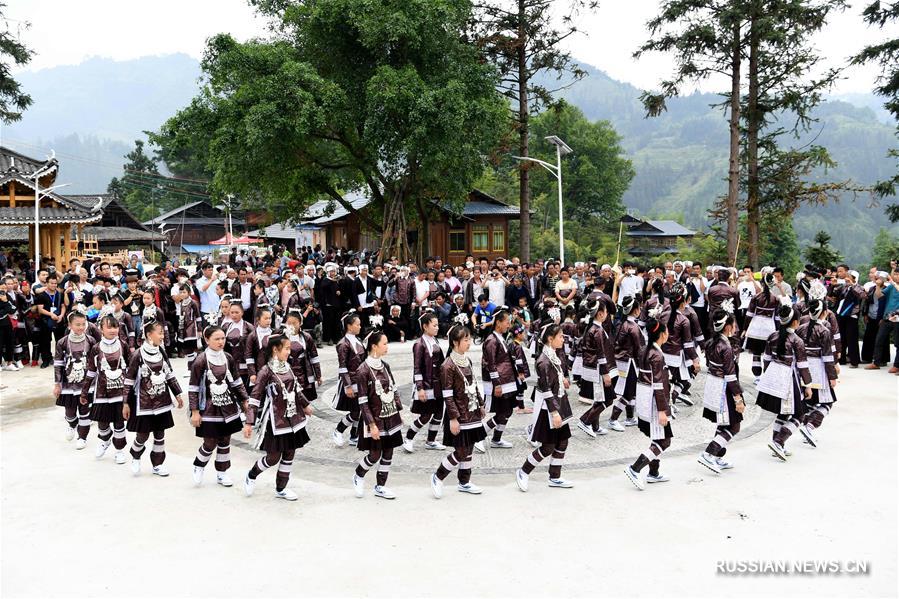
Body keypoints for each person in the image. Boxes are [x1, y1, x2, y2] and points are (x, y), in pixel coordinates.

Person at [243, 334, 313, 501]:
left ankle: (281, 488)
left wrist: (305, 404)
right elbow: (255, 397)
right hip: (275, 420)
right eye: (287, 348)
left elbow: (296, 389)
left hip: (292, 417)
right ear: (276, 349)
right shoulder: (265, 371)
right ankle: (252, 475)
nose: (290, 352)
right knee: (273, 457)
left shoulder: (287, 366)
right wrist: (249, 422)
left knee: (290, 453)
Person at [515, 324, 575, 491]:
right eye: (560, 336)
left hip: (559, 402)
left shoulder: (554, 356)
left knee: (562, 442)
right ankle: (523, 471)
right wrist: (554, 412)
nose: (563, 339)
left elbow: (555, 376)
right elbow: (546, 388)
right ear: (550, 338)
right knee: (548, 446)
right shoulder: (543, 361)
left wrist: (562, 379)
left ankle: (555, 476)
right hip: (548, 408)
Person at [189, 325, 250, 488]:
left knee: (225, 440)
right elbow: (193, 387)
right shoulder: (200, 360)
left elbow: (236, 381)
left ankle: (222, 473)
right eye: (217, 339)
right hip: (208, 408)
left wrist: (245, 400)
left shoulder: (228, 358)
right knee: (210, 442)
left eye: (223, 338)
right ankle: (199, 465)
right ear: (207, 340)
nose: (221, 342)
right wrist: (195, 411)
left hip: (227, 406)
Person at [430, 324, 487, 498]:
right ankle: (438, 476)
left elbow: (473, 383)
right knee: (461, 450)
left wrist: (481, 404)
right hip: (459, 414)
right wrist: (453, 418)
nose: (469, 342)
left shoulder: (466, 360)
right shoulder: (447, 366)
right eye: (466, 340)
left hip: (471, 410)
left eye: (469, 339)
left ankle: (464, 481)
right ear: (455, 342)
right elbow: (447, 395)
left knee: (469, 448)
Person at [123, 319, 184, 477]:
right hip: (143, 402)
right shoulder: (138, 355)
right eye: (160, 333)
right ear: (149, 335)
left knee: (160, 434)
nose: (163, 335)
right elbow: (129, 380)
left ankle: (158, 464)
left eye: (163, 332)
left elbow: (169, 374)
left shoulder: (162, 351)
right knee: (143, 434)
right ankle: (135, 455)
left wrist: (178, 394)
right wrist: (125, 403)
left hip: (162, 400)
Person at [755, 302, 813, 461]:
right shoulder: (797, 340)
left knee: (782, 412)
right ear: (795, 322)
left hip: (774, 376)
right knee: (800, 414)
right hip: (789, 379)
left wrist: (769, 377)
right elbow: (802, 366)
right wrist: (808, 386)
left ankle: (776, 443)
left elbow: (766, 360)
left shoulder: (772, 336)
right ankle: (779, 441)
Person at [624, 307, 673, 491]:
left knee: (656, 437)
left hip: (645, 397)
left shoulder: (645, 350)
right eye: (666, 331)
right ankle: (635, 468)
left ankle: (653, 473)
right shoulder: (657, 355)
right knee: (664, 440)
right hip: (654, 401)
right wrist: (663, 410)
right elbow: (659, 384)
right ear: (661, 334)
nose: (668, 334)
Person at [351, 330, 404, 500]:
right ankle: (358, 475)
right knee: (374, 454)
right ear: (374, 346)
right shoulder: (363, 370)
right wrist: (371, 424)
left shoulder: (385, 366)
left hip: (390, 416)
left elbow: (394, 389)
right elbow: (363, 401)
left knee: (389, 452)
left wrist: (398, 411)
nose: (387, 346)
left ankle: (380, 486)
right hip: (374, 419)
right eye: (385, 343)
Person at [697, 307, 744, 474]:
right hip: (724, 388)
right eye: (733, 324)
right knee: (734, 426)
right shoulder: (726, 346)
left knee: (723, 422)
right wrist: (738, 398)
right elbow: (730, 375)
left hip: (713, 384)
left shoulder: (710, 343)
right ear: (727, 327)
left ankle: (717, 455)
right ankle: (709, 453)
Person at [81, 314, 130, 463]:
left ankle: (120, 450)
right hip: (102, 392)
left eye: (115, 326)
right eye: (109, 327)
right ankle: (105, 439)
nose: (113, 330)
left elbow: (131, 369)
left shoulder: (123, 346)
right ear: (101, 329)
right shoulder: (96, 348)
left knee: (119, 423)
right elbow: (90, 371)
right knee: (102, 423)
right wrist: (84, 391)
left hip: (120, 393)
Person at [796, 298, 839, 447]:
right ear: (825, 313)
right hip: (818, 369)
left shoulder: (801, 328)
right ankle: (810, 426)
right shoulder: (825, 331)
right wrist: (833, 376)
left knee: (809, 400)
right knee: (828, 402)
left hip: (803, 368)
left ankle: (807, 428)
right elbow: (828, 357)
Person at [475, 307, 517, 453]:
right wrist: (496, 384)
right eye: (507, 322)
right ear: (498, 323)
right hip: (499, 382)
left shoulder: (500, 338)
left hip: (507, 380)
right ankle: (479, 435)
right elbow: (491, 364)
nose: (509, 325)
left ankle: (497, 438)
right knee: (502, 412)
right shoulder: (491, 340)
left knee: (508, 410)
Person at [403, 311, 446, 452]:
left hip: (438, 383)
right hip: (426, 385)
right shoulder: (419, 344)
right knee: (425, 415)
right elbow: (417, 367)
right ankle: (408, 438)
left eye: (437, 325)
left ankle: (431, 440)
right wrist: (420, 388)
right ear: (425, 326)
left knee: (439, 412)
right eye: (434, 325)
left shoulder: (435, 341)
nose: (437, 328)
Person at [54, 310, 95, 449]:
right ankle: (72, 424)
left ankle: (82, 437)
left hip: (86, 383)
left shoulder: (90, 340)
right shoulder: (62, 342)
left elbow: (95, 362)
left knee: (85, 411)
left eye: (83, 324)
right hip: (68, 383)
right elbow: (58, 364)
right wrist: (57, 384)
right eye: (77, 324)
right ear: (70, 325)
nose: (81, 327)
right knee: (70, 412)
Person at [576, 299, 616, 438]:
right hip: (597, 369)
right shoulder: (597, 330)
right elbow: (601, 354)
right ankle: (585, 420)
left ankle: (595, 426)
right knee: (607, 399)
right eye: (605, 312)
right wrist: (606, 374)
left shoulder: (591, 328)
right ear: (600, 314)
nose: (607, 314)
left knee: (599, 398)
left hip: (590, 367)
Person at [607, 294, 643, 432]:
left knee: (631, 390)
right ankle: (613, 419)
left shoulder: (623, 323)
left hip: (624, 361)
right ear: (635, 310)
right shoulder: (632, 326)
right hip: (629, 362)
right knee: (628, 392)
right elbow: (639, 348)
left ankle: (629, 418)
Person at [331, 311, 366, 447]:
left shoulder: (358, 340)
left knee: (360, 409)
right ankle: (338, 430)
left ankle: (354, 435)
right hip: (350, 381)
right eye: (357, 325)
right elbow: (343, 367)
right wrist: (348, 385)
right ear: (349, 326)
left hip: (360, 380)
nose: (360, 327)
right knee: (355, 410)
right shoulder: (343, 344)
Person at [743, 272, 780, 381]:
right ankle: (766, 377)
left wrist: (745, 328)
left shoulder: (756, 297)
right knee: (768, 354)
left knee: (756, 353)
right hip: (769, 328)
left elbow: (749, 315)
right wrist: (777, 330)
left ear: (762, 283)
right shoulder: (776, 299)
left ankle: (757, 377)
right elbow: (777, 318)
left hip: (756, 327)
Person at [36, 273, 66, 368]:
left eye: (55, 283)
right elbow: (40, 309)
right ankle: (46, 359)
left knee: (60, 340)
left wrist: (61, 315)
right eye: (52, 283)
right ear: (47, 283)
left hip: (58, 319)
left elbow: (63, 306)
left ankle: (60, 358)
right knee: (45, 340)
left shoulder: (59, 294)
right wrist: (51, 314)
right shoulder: (41, 295)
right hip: (46, 320)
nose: (54, 285)